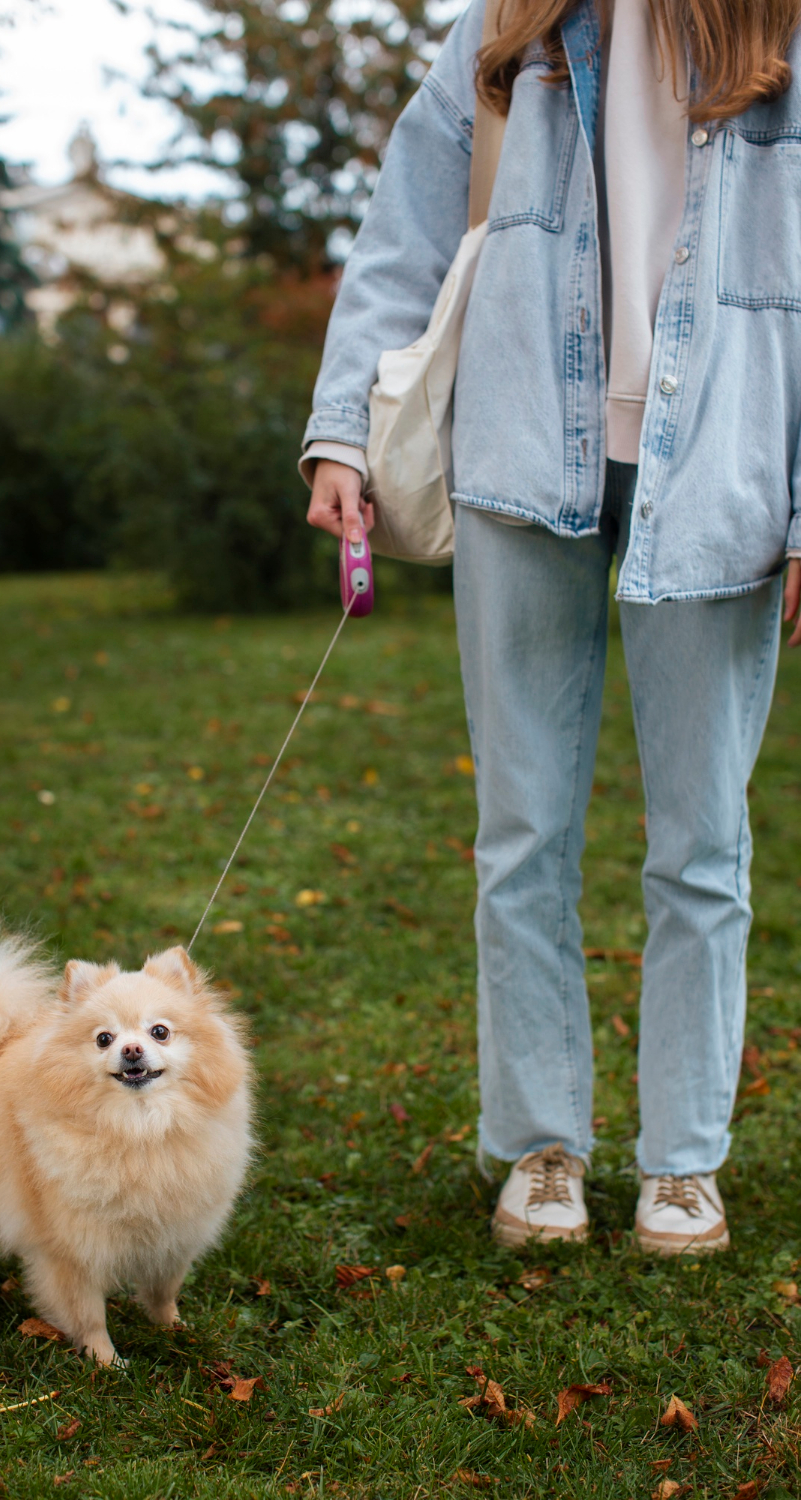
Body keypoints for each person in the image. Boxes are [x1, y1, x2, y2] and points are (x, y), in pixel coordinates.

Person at [302, 0, 801, 1255]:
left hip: (722, 468)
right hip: (523, 448)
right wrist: (343, 431)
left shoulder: (781, 41)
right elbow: (401, 232)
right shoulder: (507, 28)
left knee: (703, 842)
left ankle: (682, 1163)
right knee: (521, 830)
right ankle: (540, 1145)